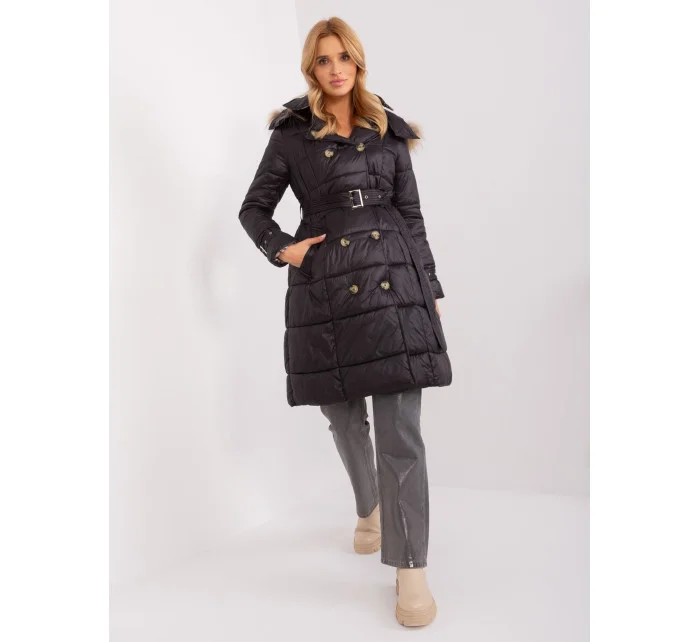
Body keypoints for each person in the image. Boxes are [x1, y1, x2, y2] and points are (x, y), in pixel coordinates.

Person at [238, 17, 452, 627]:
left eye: (345, 58)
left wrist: (430, 286)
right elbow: (253, 209)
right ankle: (369, 508)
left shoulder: (387, 131)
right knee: (342, 416)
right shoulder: (292, 135)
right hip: (326, 283)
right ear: (311, 68)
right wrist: (285, 249)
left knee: (401, 431)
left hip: (394, 280)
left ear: (358, 63)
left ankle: (411, 570)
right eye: (323, 60)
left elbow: (411, 215)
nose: (336, 69)